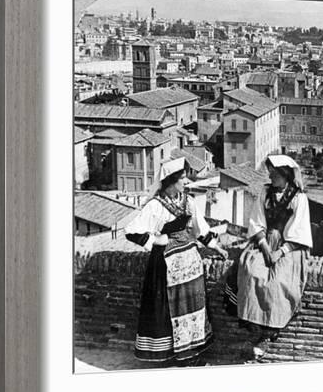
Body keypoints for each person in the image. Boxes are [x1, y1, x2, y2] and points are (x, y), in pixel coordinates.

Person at [125, 157, 228, 364]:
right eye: (182, 179)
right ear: (171, 181)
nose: (185, 182)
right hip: (164, 265)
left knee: (192, 308)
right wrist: (155, 239)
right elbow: (131, 231)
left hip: (190, 265)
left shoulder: (188, 201)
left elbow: (200, 229)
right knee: (166, 311)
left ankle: (191, 353)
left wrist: (216, 247)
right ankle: (167, 355)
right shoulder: (155, 206)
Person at [224, 154, 312, 359]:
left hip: (289, 247)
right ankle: (254, 329)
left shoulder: (299, 198)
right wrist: (265, 248)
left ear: (286, 175)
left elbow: (298, 232)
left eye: (275, 175)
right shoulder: (265, 192)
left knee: (278, 282)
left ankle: (269, 331)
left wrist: (279, 252)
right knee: (251, 272)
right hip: (264, 242)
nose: (271, 178)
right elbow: (256, 221)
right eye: (270, 174)